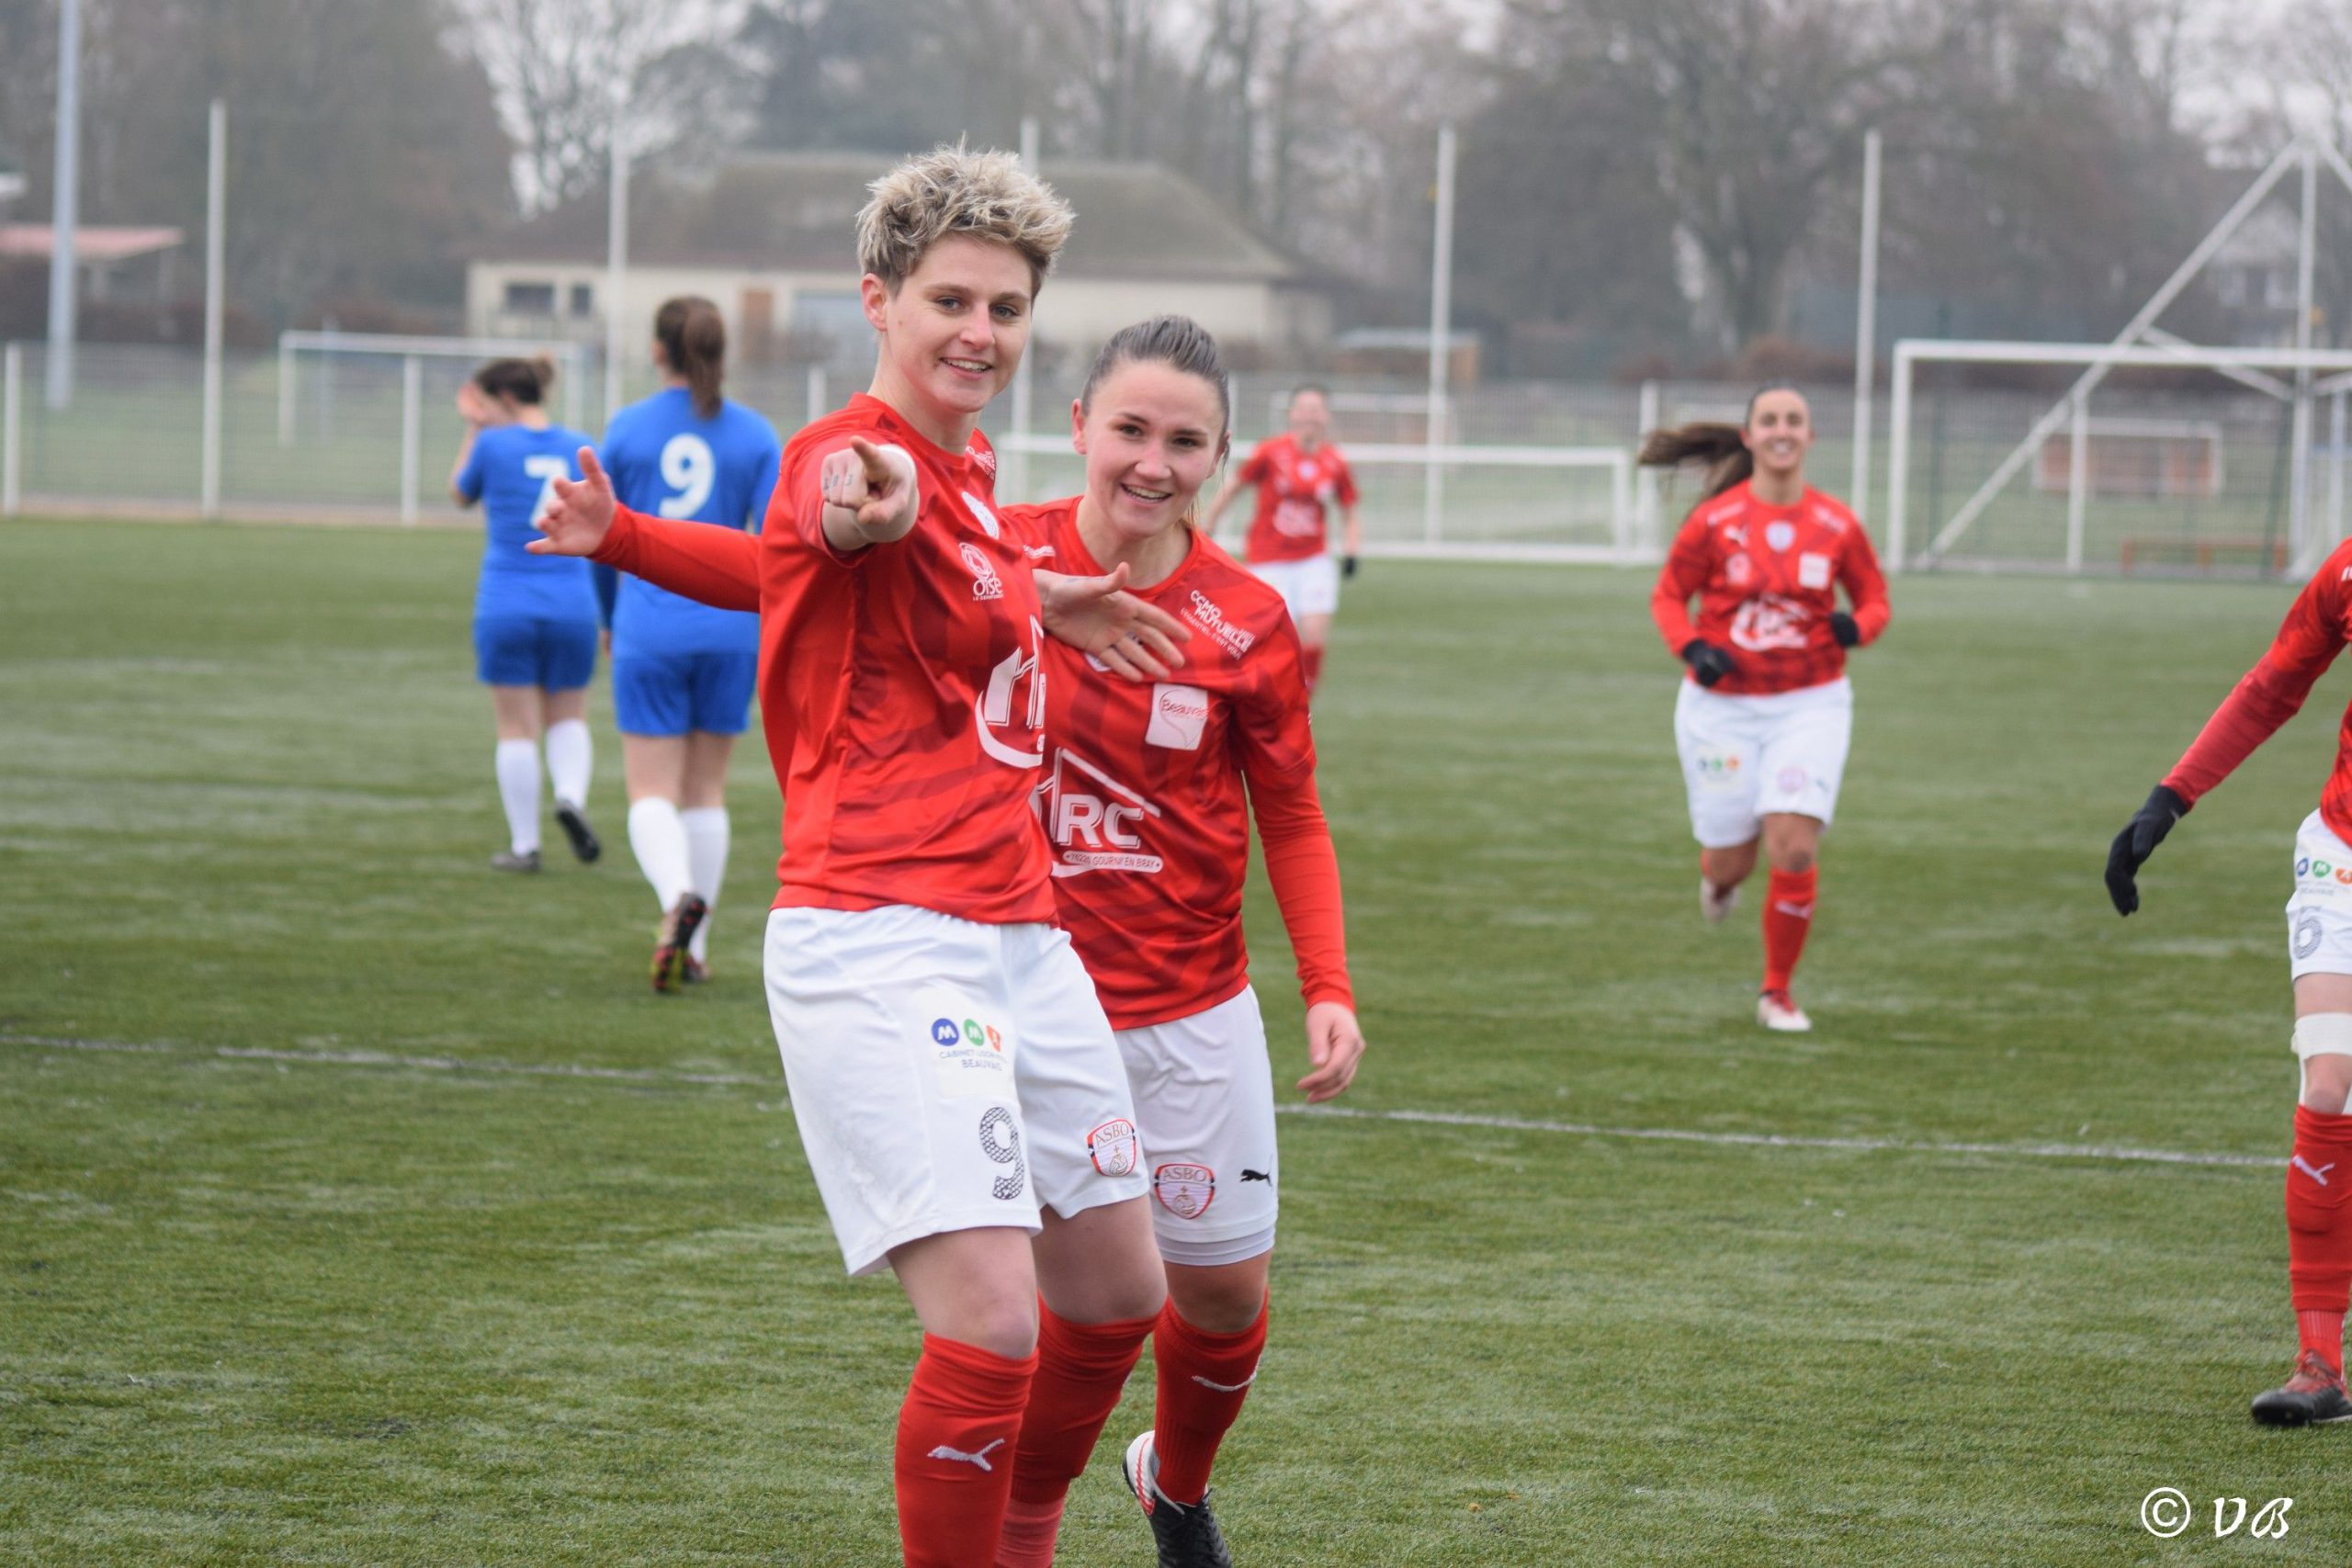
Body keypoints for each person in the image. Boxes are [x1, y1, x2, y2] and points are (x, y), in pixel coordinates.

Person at [526, 146, 1194, 1568]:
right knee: (994, 1321)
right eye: (950, 300)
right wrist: (862, 509)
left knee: (1117, 1288)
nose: (980, 332)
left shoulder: (970, 479)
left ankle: (1021, 1533)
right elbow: (832, 522)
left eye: (1007, 308)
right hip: (885, 932)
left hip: (1024, 933)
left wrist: (1040, 594)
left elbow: (809, 566)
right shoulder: (857, 455)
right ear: (878, 300)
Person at [998, 315, 1367, 1568]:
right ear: (1078, 427)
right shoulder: (993, 556)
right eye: (1130, 430)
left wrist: (1328, 985)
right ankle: (1022, 1528)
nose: (1152, 463)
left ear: (1219, 457)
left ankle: (1172, 1482)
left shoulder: (1247, 617)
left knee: (1220, 1299)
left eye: (1185, 442)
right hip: (1027, 1003)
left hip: (1193, 1010)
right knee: (1080, 1311)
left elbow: (1292, 812)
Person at [2106, 540, 2352, 1427]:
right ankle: (2319, 1365)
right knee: (2328, 1081)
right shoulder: (2348, 569)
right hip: (2342, 855)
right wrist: (2169, 797)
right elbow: (2274, 684)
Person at [1642, 385, 1890, 1032]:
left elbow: (1875, 600)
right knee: (1733, 861)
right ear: (1749, 436)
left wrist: (1856, 628)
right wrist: (1692, 648)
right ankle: (1718, 881)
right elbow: (1668, 597)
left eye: (1795, 420)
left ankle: (1776, 991)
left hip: (1810, 704)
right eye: (1770, 420)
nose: (1783, 430)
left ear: (1810, 437)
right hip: (1721, 711)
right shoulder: (1714, 522)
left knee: (1794, 846)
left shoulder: (1837, 524)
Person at [595, 297, 784, 991]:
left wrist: (609, 618)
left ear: (657, 350)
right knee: (706, 790)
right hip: (731, 629)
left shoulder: (626, 428)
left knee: (651, 790)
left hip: (650, 628)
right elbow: (777, 546)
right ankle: (696, 948)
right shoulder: (755, 434)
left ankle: (677, 896)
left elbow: (601, 537)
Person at [449, 355, 603, 874]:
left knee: (516, 727)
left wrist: (473, 428)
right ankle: (570, 797)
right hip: (573, 601)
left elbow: (459, 493)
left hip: (507, 600)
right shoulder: (580, 445)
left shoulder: (492, 444)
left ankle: (525, 845)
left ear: (507, 400)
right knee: (569, 714)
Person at [1200, 384, 1361, 695]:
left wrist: (1352, 550)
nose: (1310, 416)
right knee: (1268, 641)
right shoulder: (1270, 452)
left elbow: (1349, 511)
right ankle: (1255, 698)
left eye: (1316, 410)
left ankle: (1301, 705)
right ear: (1292, 414)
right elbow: (1233, 488)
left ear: (1326, 416)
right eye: (1304, 409)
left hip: (1313, 559)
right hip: (1268, 560)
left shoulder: (1335, 462)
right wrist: (1208, 527)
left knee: (1313, 637)